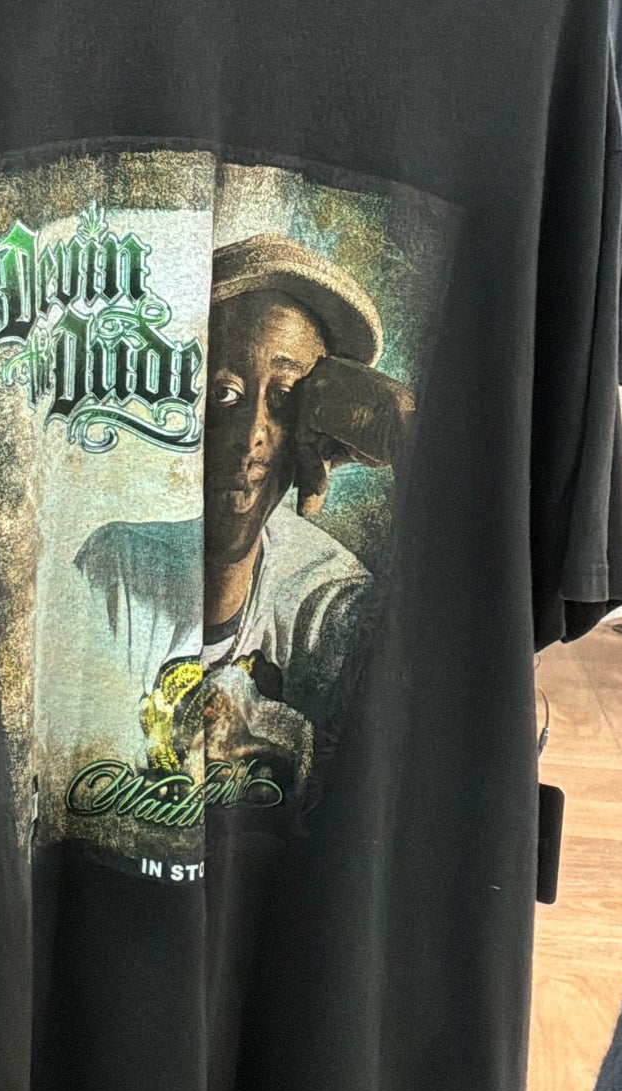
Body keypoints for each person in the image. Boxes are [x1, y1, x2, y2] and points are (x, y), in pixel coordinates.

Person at [74, 233, 409, 805]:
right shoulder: (115, 570)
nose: (252, 433)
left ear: (317, 434)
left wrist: (403, 429)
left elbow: (441, 707)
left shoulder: (327, 596)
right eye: (223, 394)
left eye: (285, 400)